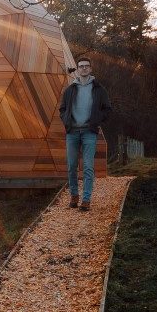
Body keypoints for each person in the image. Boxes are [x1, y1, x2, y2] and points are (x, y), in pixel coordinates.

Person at [59, 57, 111, 210]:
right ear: (77, 69)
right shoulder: (70, 89)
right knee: (72, 166)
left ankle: (86, 200)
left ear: (91, 69)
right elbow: (62, 109)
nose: (83, 69)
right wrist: (66, 121)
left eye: (86, 66)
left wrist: (96, 120)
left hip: (89, 132)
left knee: (88, 166)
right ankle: (74, 196)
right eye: (81, 66)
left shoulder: (99, 89)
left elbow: (107, 109)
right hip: (72, 132)